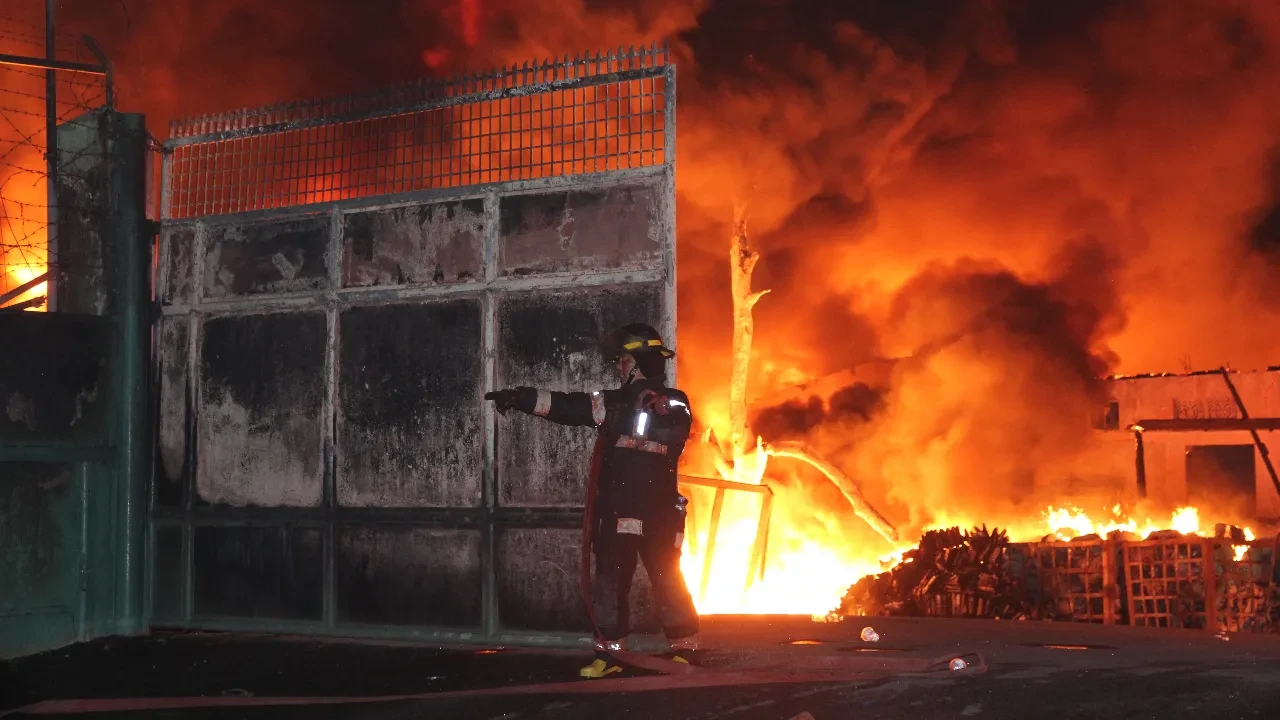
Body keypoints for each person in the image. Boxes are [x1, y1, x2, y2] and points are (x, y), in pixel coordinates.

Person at [485, 323, 700, 679]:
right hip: (619, 514)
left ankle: (687, 650)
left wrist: (642, 403)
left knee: (668, 581)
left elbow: (674, 427)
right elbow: (569, 406)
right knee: (610, 583)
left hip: (659, 513)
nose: (619, 367)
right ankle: (611, 655)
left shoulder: (675, 400)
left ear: (639, 362)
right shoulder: (612, 403)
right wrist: (520, 396)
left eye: (624, 360)